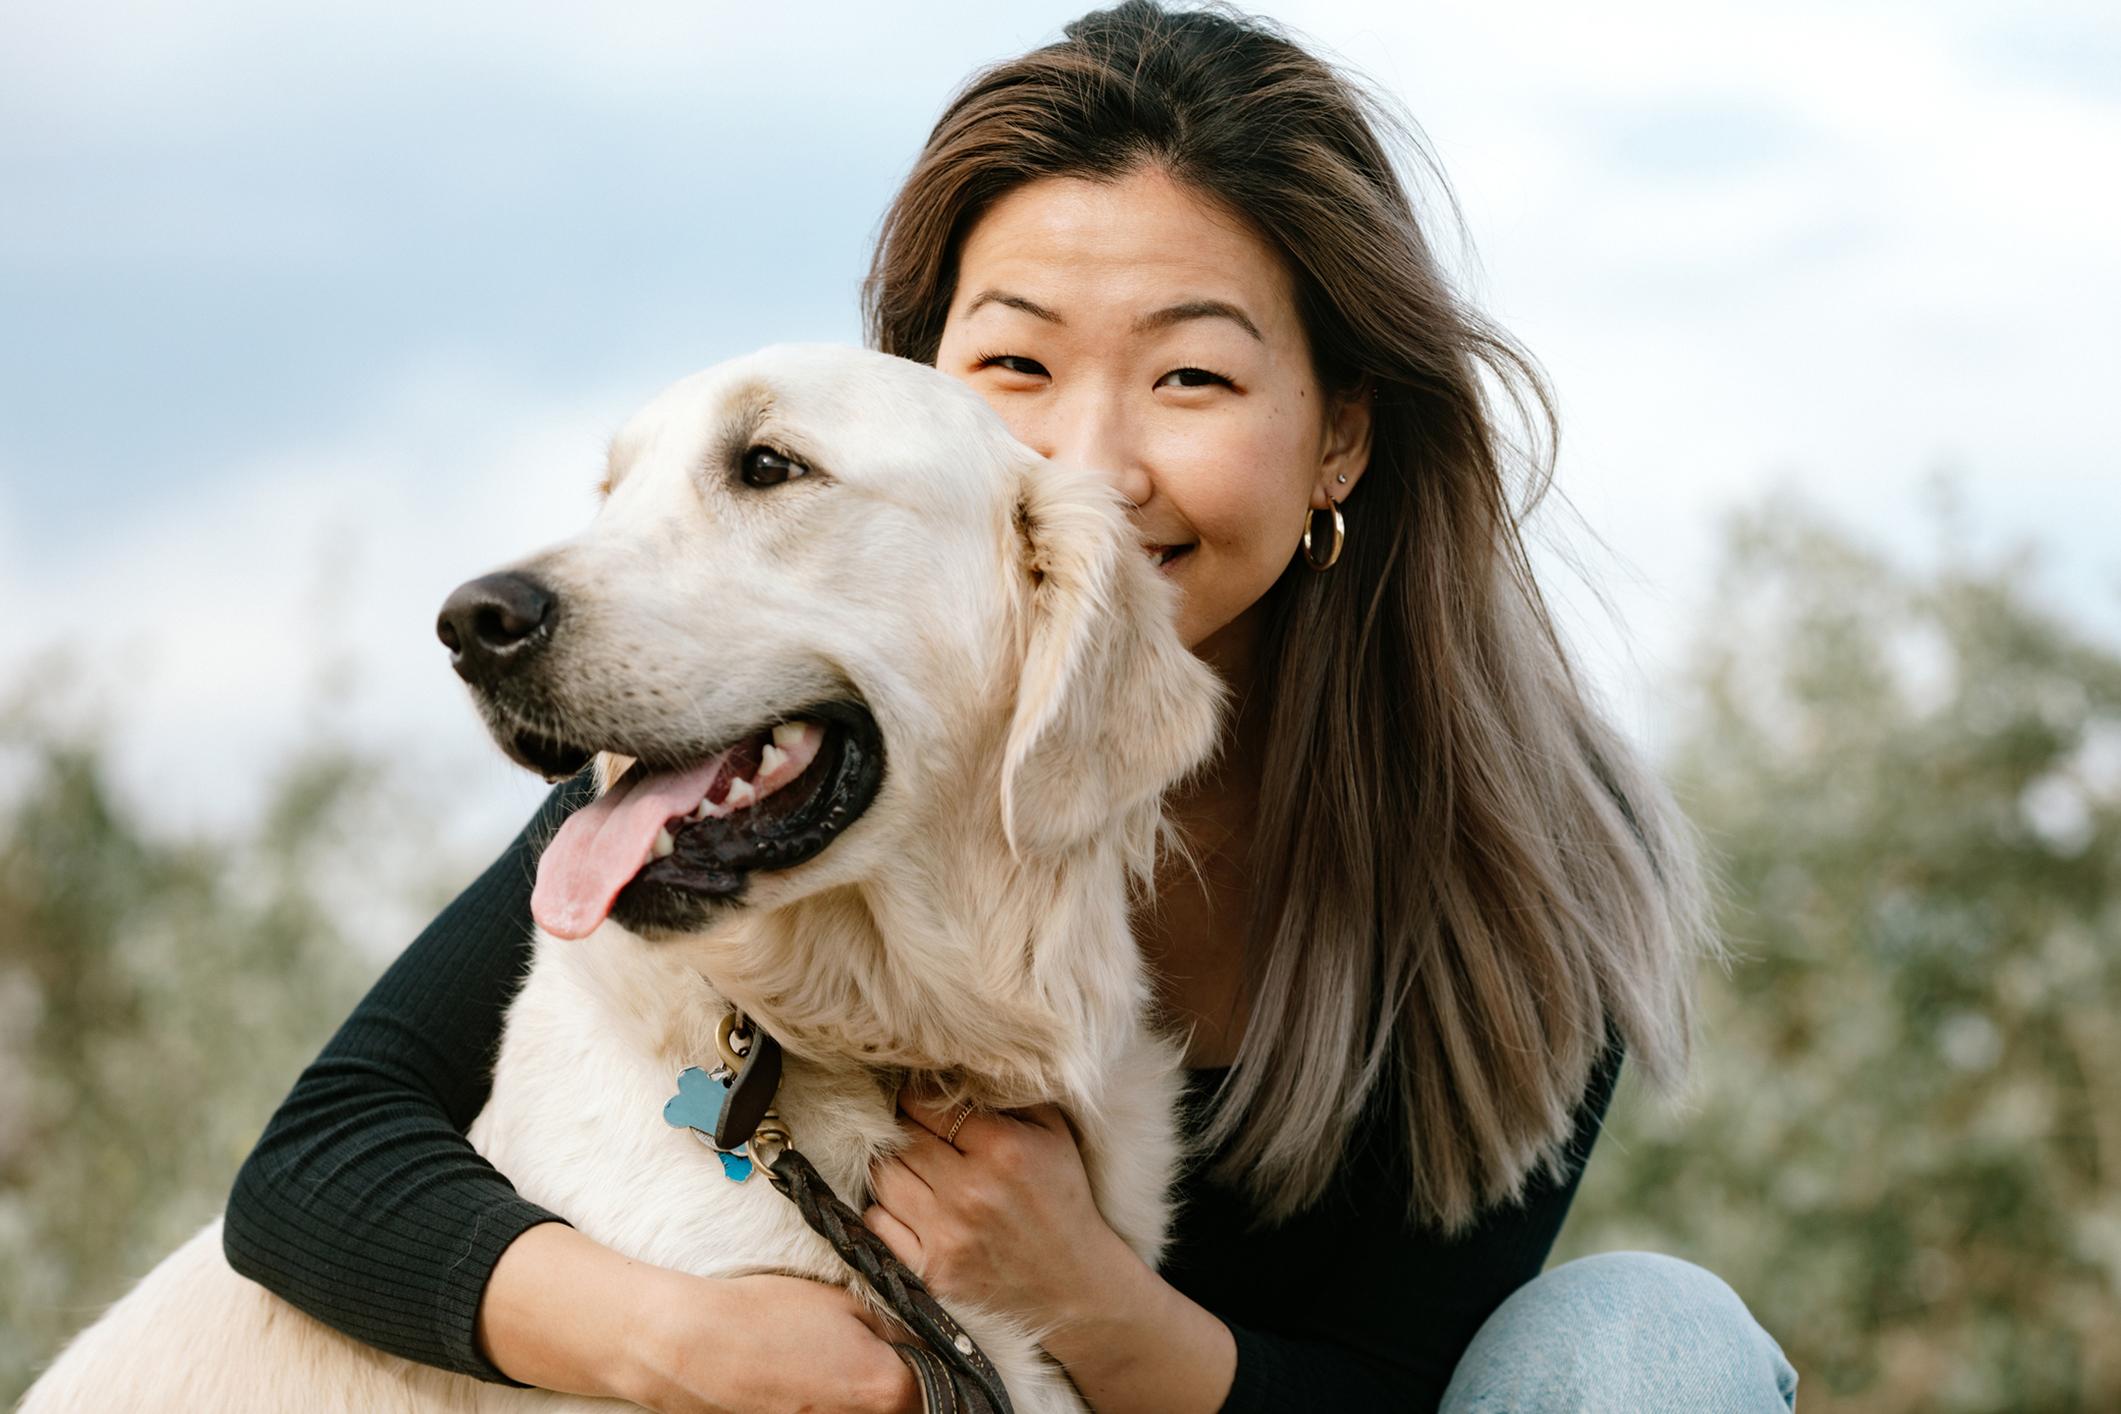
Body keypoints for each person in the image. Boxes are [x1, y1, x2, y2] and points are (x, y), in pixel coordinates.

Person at [223, 3, 1800, 1411]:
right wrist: (692, 1341)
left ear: (1337, 436)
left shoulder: (1527, 855)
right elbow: (320, 1162)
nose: (1089, 462)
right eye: (1014, 369)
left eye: (1192, 378)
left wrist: (1089, 1302)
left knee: (1650, 1338)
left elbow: (1398, 1383)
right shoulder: (784, 751)